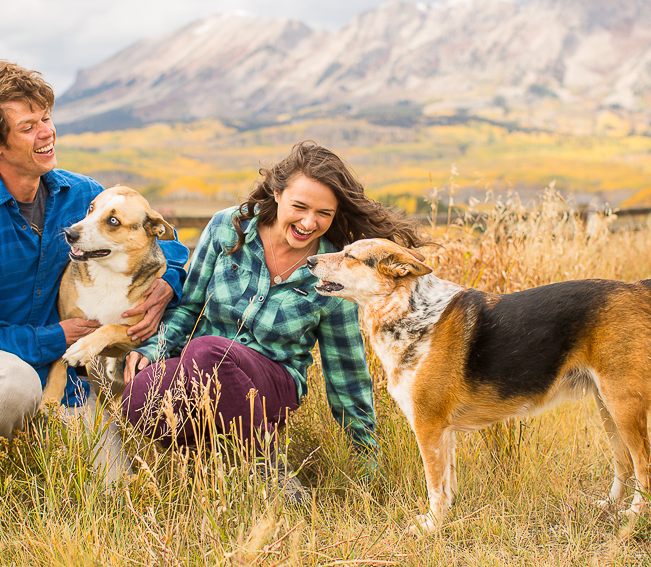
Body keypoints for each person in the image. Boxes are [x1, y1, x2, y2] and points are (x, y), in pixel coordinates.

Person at [0, 61, 189, 490]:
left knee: (111, 489)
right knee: (15, 383)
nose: (46, 132)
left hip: (69, 374)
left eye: (46, 117)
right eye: (28, 126)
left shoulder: (82, 195)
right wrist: (55, 337)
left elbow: (162, 244)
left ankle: (35, 464)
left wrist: (167, 283)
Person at [120, 141, 424, 503]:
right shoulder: (226, 228)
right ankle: (220, 454)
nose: (309, 222)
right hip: (197, 369)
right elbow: (189, 307)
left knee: (207, 351)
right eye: (299, 206)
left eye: (323, 213)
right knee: (137, 401)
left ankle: (269, 468)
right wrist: (153, 349)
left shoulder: (336, 270)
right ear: (277, 193)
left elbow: (346, 371)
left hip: (271, 384)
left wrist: (366, 457)